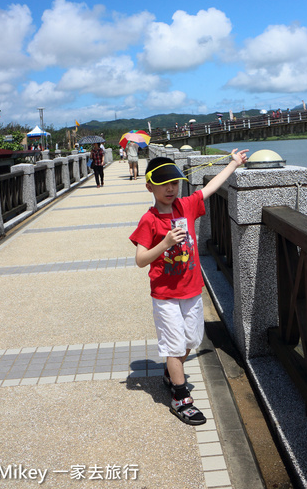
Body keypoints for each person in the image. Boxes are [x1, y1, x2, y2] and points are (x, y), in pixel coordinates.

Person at [129, 148, 248, 426]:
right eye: (163, 184)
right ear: (150, 187)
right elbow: (140, 260)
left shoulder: (185, 206)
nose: (171, 189)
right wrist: (165, 243)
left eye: (175, 182)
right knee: (173, 346)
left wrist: (233, 163)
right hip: (166, 295)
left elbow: (209, 188)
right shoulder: (149, 220)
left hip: (192, 290)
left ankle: (172, 373)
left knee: (190, 342)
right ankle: (181, 399)